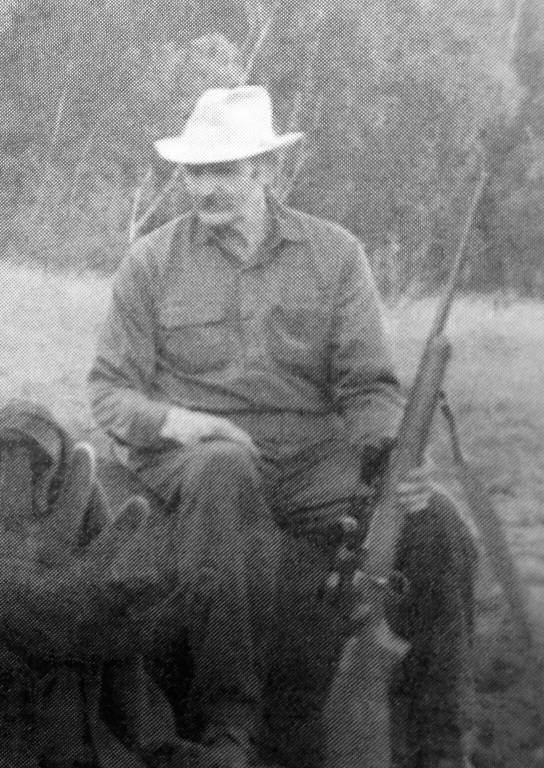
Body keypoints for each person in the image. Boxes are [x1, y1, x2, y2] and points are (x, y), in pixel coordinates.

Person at [87, 86, 476, 768]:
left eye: (224, 169)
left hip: (309, 460)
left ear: (265, 170)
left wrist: (392, 459)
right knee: (222, 468)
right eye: (195, 170)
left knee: (439, 523)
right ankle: (228, 724)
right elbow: (109, 392)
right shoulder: (151, 261)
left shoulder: (336, 255)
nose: (205, 186)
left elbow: (367, 386)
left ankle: (443, 741)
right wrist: (181, 421)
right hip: (194, 457)